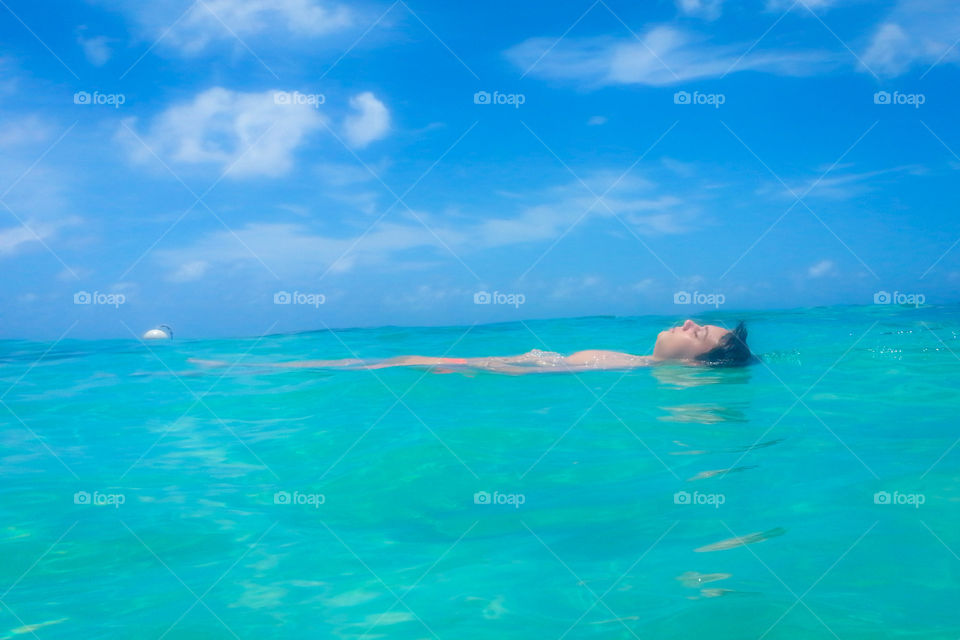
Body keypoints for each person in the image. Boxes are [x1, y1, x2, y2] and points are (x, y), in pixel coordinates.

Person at [240, 319, 754, 374]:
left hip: (496, 367)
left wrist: (477, 366)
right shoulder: (635, 361)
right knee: (393, 359)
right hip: (513, 361)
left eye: (701, 333)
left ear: (698, 364)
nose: (690, 322)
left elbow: (544, 374)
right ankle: (272, 363)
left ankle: (277, 365)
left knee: (399, 359)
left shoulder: (630, 371)